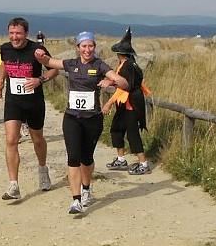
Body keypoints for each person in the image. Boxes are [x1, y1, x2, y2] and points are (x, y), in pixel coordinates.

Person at [35, 31, 128, 214]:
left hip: (92, 119)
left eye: (90, 46)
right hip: (72, 118)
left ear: (94, 47)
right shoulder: (71, 64)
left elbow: (124, 83)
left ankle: (86, 188)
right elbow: (49, 62)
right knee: (73, 158)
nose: (87, 50)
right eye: (84, 46)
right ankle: (76, 200)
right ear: (77, 48)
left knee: (86, 159)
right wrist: (40, 55)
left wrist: (111, 81)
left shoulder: (99, 65)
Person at [0, 17, 59, 200]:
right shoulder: (5, 48)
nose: (14, 37)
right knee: (11, 140)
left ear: (26, 34)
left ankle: (43, 169)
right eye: (11, 33)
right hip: (13, 101)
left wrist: (40, 80)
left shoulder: (37, 50)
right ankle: (13, 185)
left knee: (37, 139)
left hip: (34, 102)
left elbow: (54, 69)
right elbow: (4, 65)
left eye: (18, 33)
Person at [102, 27, 152, 175]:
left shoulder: (128, 66)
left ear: (119, 53)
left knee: (132, 133)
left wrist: (109, 103)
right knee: (116, 129)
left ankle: (143, 163)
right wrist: (111, 82)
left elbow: (125, 87)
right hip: (124, 104)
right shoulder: (127, 64)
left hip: (131, 104)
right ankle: (121, 159)